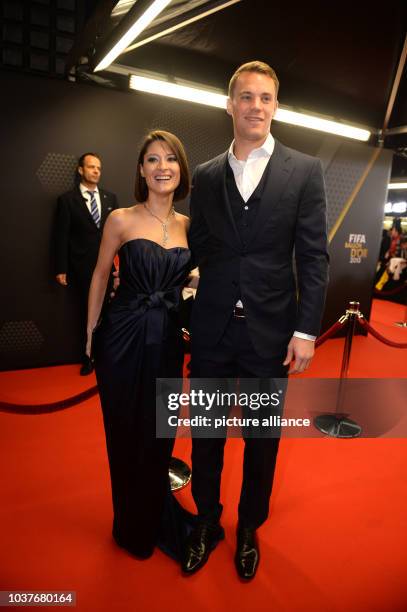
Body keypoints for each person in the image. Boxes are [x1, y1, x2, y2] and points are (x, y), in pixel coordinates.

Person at [183, 61, 329, 580]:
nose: (256, 106)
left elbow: (313, 256)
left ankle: (249, 525)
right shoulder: (203, 175)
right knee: (205, 432)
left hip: (271, 332)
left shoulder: (305, 170)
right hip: (212, 329)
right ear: (230, 105)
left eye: (266, 98)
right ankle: (205, 520)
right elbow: (198, 244)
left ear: (275, 105)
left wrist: (307, 329)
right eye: (246, 97)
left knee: (263, 437)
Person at [87, 130, 193, 559]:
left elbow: (196, 279)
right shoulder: (120, 219)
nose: (162, 167)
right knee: (125, 432)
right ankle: (131, 526)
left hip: (167, 340)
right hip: (122, 336)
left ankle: (153, 511)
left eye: (170, 159)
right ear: (141, 170)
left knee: (159, 433)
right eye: (152, 159)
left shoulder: (191, 226)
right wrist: (90, 331)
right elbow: (99, 275)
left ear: (181, 169)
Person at [54, 152, 118, 375]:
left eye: (99, 168)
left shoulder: (111, 198)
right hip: (81, 269)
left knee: (109, 313)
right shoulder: (67, 200)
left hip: (108, 267)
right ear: (81, 170)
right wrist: (61, 268)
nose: (96, 171)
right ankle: (88, 357)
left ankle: (108, 356)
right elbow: (61, 236)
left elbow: (117, 235)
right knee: (87, 313)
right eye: (91, 167)